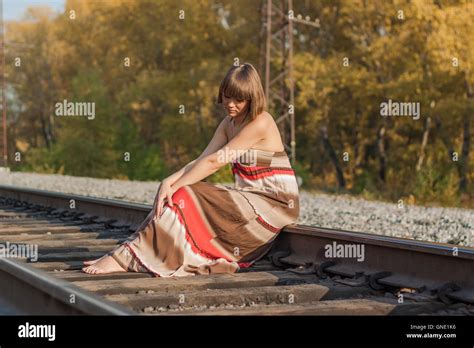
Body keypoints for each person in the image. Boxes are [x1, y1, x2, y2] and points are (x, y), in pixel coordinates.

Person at [82, 62, 300, 277]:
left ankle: (128, 257)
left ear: (252, 98)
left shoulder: (261, 122)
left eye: (239, 99)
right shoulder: (228, 124)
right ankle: (128, 253)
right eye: (227, 96)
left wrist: (176, 186)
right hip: (249, 199)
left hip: (275, 205)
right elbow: (203, 159)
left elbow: (216, 162)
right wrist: (168, 181)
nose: (231, 104)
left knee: (185, 193)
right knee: (177, 192)